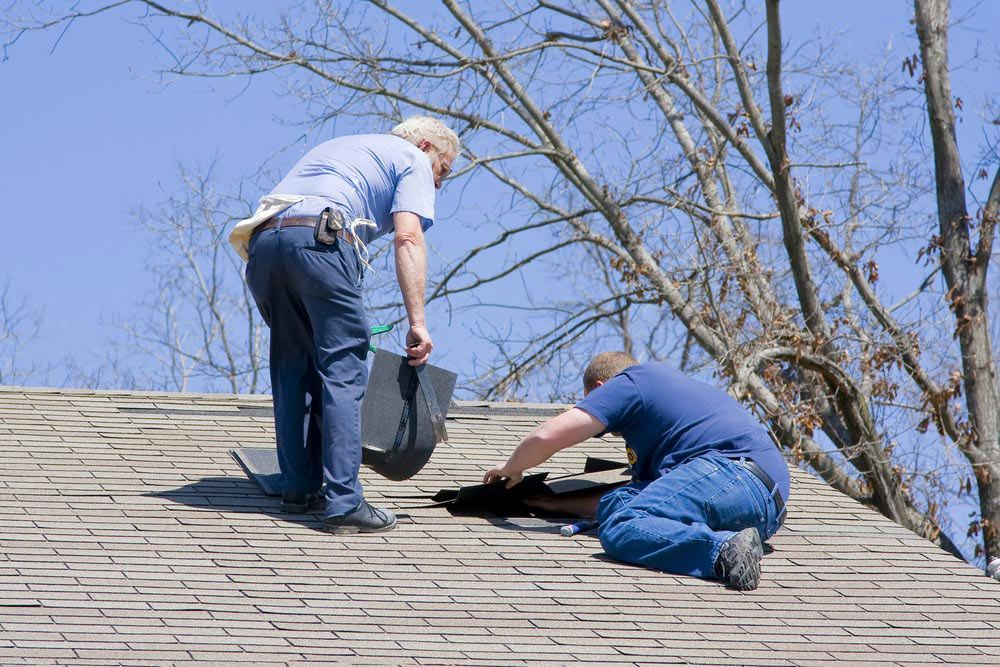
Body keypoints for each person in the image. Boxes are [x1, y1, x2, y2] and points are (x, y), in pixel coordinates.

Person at [229, 116, 459, 534]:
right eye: (444, 171)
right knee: (343, 369)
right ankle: (346, 503)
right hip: (320, 241)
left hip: (264, 245)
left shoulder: (347, 147)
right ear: (427, 146)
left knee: (292, 366)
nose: (439, 184)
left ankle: (299, 486)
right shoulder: (412, 158)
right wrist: (418, 323)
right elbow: (408, 237)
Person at [484, 352, 790, 590]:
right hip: (762, 510)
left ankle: (723, 550)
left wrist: (512, 467)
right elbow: (641, 498)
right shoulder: (669, 415)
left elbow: (549, 435)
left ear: (602, 390)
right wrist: (555, 505)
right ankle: (733, 543)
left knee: (620, 526)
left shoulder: (632, 381)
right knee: (621, 503)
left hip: (732, 475)